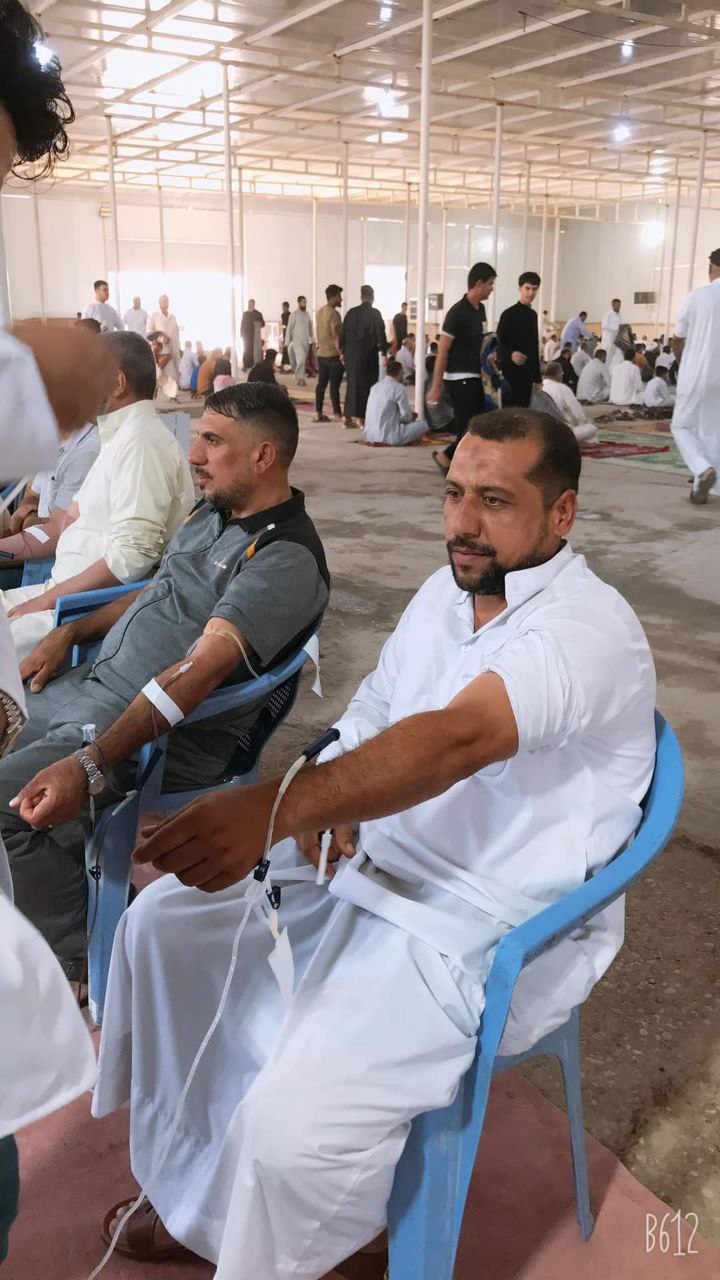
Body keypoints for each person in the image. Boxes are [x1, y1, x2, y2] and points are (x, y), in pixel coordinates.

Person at [90, 408, 656, 1278]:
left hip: (482, 920)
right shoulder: (446, 594)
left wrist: (281, 807)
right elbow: (375, 714)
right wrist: (332, 793)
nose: (463, 523)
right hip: (373, 858)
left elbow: (458, 738)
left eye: (494, 500)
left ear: (562, 513)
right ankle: (197, 1193)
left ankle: (328, 1239)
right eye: (455, 494)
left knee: (292, 1124)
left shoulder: (588, 630)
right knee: (163, 930)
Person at [4, 382, 330, 977]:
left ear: (263, 456)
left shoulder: (284, 558)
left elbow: (199, 672)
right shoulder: (214, 514)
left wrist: (92, 762)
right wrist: (71, 632)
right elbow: (157, 591)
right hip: (94, 688)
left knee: (6, 807)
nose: (193, 455)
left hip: (146, 735)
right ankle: (48, 877)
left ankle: (75, 959)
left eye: (212, 442)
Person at [0, 2, 115, 1259]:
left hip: (110, 662)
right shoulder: (92, 417)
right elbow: (62, 374)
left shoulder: (279, 553)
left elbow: (134, 574)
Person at [1, 332, 194, 661]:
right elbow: (67, 524)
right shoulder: (118, 439)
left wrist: (41, 604)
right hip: (60, 593)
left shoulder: (140, 443)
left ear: (117, 383)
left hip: (81, 612)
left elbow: (132, 557)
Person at [427, 262, 497, 472]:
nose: (492, 288)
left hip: (475, 376)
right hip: (458, 378)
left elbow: (480, 343)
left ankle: (454, 460)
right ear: (479, 283)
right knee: (470, 427)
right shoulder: (457, 313)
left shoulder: (480, 310)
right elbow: (443, 351)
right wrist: (437, 386)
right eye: (490, 284)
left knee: (476, 425)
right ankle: (448, 458)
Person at [0, 422, 100, 569]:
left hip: (61, 562)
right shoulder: (54, 445)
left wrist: (31, 523)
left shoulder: (86, 454)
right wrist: (27, 516)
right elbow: (33, 495)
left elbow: (59, 530)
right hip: (34, 554)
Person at [671, 247, 720, 505]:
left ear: (712, 268)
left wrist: (683, 362)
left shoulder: (697, 296)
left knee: (681, 425)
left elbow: (677, 339)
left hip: (697, 374)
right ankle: (706, 487)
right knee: (711, 430)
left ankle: (702, 469)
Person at [340, 284, 388, 427]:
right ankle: (361, 417)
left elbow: (343, 334)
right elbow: (381, 334)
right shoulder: (375, 314)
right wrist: (384, 353)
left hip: (350, 355)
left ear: (361, 296)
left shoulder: (351, 313)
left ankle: (347, 417)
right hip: (367, 355)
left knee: (352, 384)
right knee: (366, 386)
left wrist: (342, 352)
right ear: (372, 297)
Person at [496, 271, 542, 409]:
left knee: (525, 414)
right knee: (509, 415)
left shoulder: (533, 315)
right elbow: (497, 344)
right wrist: (510, 355)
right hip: (510, 375)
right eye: (527, 288)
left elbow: (534, 346)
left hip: (527, 377)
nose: (530, 293)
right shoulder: (508, 314)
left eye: (534, 289)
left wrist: (537, 377)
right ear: (519, 288)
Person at [363, 359, 427, 446]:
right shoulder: (399, 388)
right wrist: (411, 417)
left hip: (370, 436)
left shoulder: (375, 387)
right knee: (423, 425)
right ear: (400, 372)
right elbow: (406, 416)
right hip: (388, 437)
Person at [541, 364, 599, 443]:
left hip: (541, 434)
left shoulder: (539, 388)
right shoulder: (562, 388)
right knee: (592, 428)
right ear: (558, 374)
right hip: (560, 433)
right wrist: (585, 420)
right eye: (561, 372)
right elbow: (577, 413)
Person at [314, 284, 344, 422]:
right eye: (339, 296)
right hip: (333, 355)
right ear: (332, 298)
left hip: (321, 354)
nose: (341, 299)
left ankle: (318, 413)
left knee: (321, 385)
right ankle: (337, 414)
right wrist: (341, 352)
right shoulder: (334, 314)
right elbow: (335, 334)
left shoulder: (320, 312)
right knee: (334, 387)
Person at [147, 295, 181, 399]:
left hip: (172, 350)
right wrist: (161, 338)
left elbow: (176, 334)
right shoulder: (153, 316)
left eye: (167, 300)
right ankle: (162, 395)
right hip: (160, 352)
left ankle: (171, 396)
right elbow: (149, 334)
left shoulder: (172, 317)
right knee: (159, 375)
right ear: (159, 303)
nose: (166, 303)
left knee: (173, 374)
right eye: (163, 301)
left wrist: (177, 348)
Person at [286, 296, 314, 388]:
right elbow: (289, 328)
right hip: (296, 341)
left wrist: (313, 339)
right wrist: (287, 341)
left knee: (302, 361)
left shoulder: (307, 314)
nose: (305, 304)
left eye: (305, 302)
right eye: (303, 302)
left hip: (305, 341)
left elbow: (310, 327)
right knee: (301, 359)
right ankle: (299, 377)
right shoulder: (294, 315)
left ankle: (300, 379)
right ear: (299, 303)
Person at [601, 297, 624, 370]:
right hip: (609, 340)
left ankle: (614, 372)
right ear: (613, 305)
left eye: (619, 305)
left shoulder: (620, 316)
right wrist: (617, 328)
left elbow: (622, 326)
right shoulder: (608, 315)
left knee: (617, 357)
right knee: (607, 358)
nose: (619, 307)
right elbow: (604, 326)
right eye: (617, 305)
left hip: (617, 341)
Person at [241, 299, 264, 370]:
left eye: (252, 303)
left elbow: (262, 323)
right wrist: (241, 334)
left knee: (254, 350)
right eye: (249, 303)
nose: (250, 304)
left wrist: (259, 324)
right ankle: (245, 365)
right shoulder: (245, 314)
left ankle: (254, 365)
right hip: (246, 335)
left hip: (255, 335)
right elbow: (242, 324)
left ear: (254, 304)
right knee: (246, 349)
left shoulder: (258, 314)